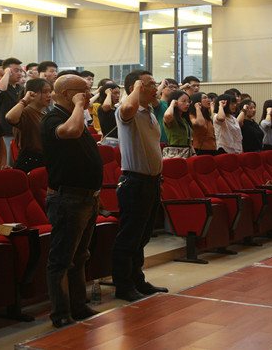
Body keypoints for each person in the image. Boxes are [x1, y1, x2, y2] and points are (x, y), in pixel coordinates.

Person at [40, 75, 103, 328]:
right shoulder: (52, 118)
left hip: (87, 197)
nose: (88, 95)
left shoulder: (74, 114)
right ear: (66, 94)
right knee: (62, 259)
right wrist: (79, 105)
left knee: (80, 256)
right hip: (67, 198)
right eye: (83, 91)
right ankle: (61, 313)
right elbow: (72, 131)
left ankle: (78, 305)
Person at [112, 70, 168, 301]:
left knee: (142, 237)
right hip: (134, 182)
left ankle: (138, 280)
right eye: (150, 84)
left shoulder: (149, 112)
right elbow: (127, 107)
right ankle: (123, 285)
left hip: (151, 182)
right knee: (129, 238)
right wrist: (136, 87)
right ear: (135, 87)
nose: (156, 88)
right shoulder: (126, 111)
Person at [6, 78, 52, 173]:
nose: (49, 95)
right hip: (30, 162)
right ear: (32, 94)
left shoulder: (44, 113)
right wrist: (25, 100)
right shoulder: (26, 111)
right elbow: (10, 118)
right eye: (44, 92)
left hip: (44, 159)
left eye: (50, 92)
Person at [0, 57, 24, 165]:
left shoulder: (21, 89)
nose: (19, 73)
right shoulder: (1, 87)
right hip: (6, 131)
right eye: (15, 70)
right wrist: (6, 73)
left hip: (20, 131)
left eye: (20, 70)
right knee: (7, 163)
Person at [153, 78, 178, 144]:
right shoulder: (160, 103)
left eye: (176, 87)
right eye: (170, 87)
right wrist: (162, 85)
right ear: (162, 90)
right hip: (162, 142)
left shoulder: (176, 105)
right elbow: (153, 96)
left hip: (175, 142)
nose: (174, 89)